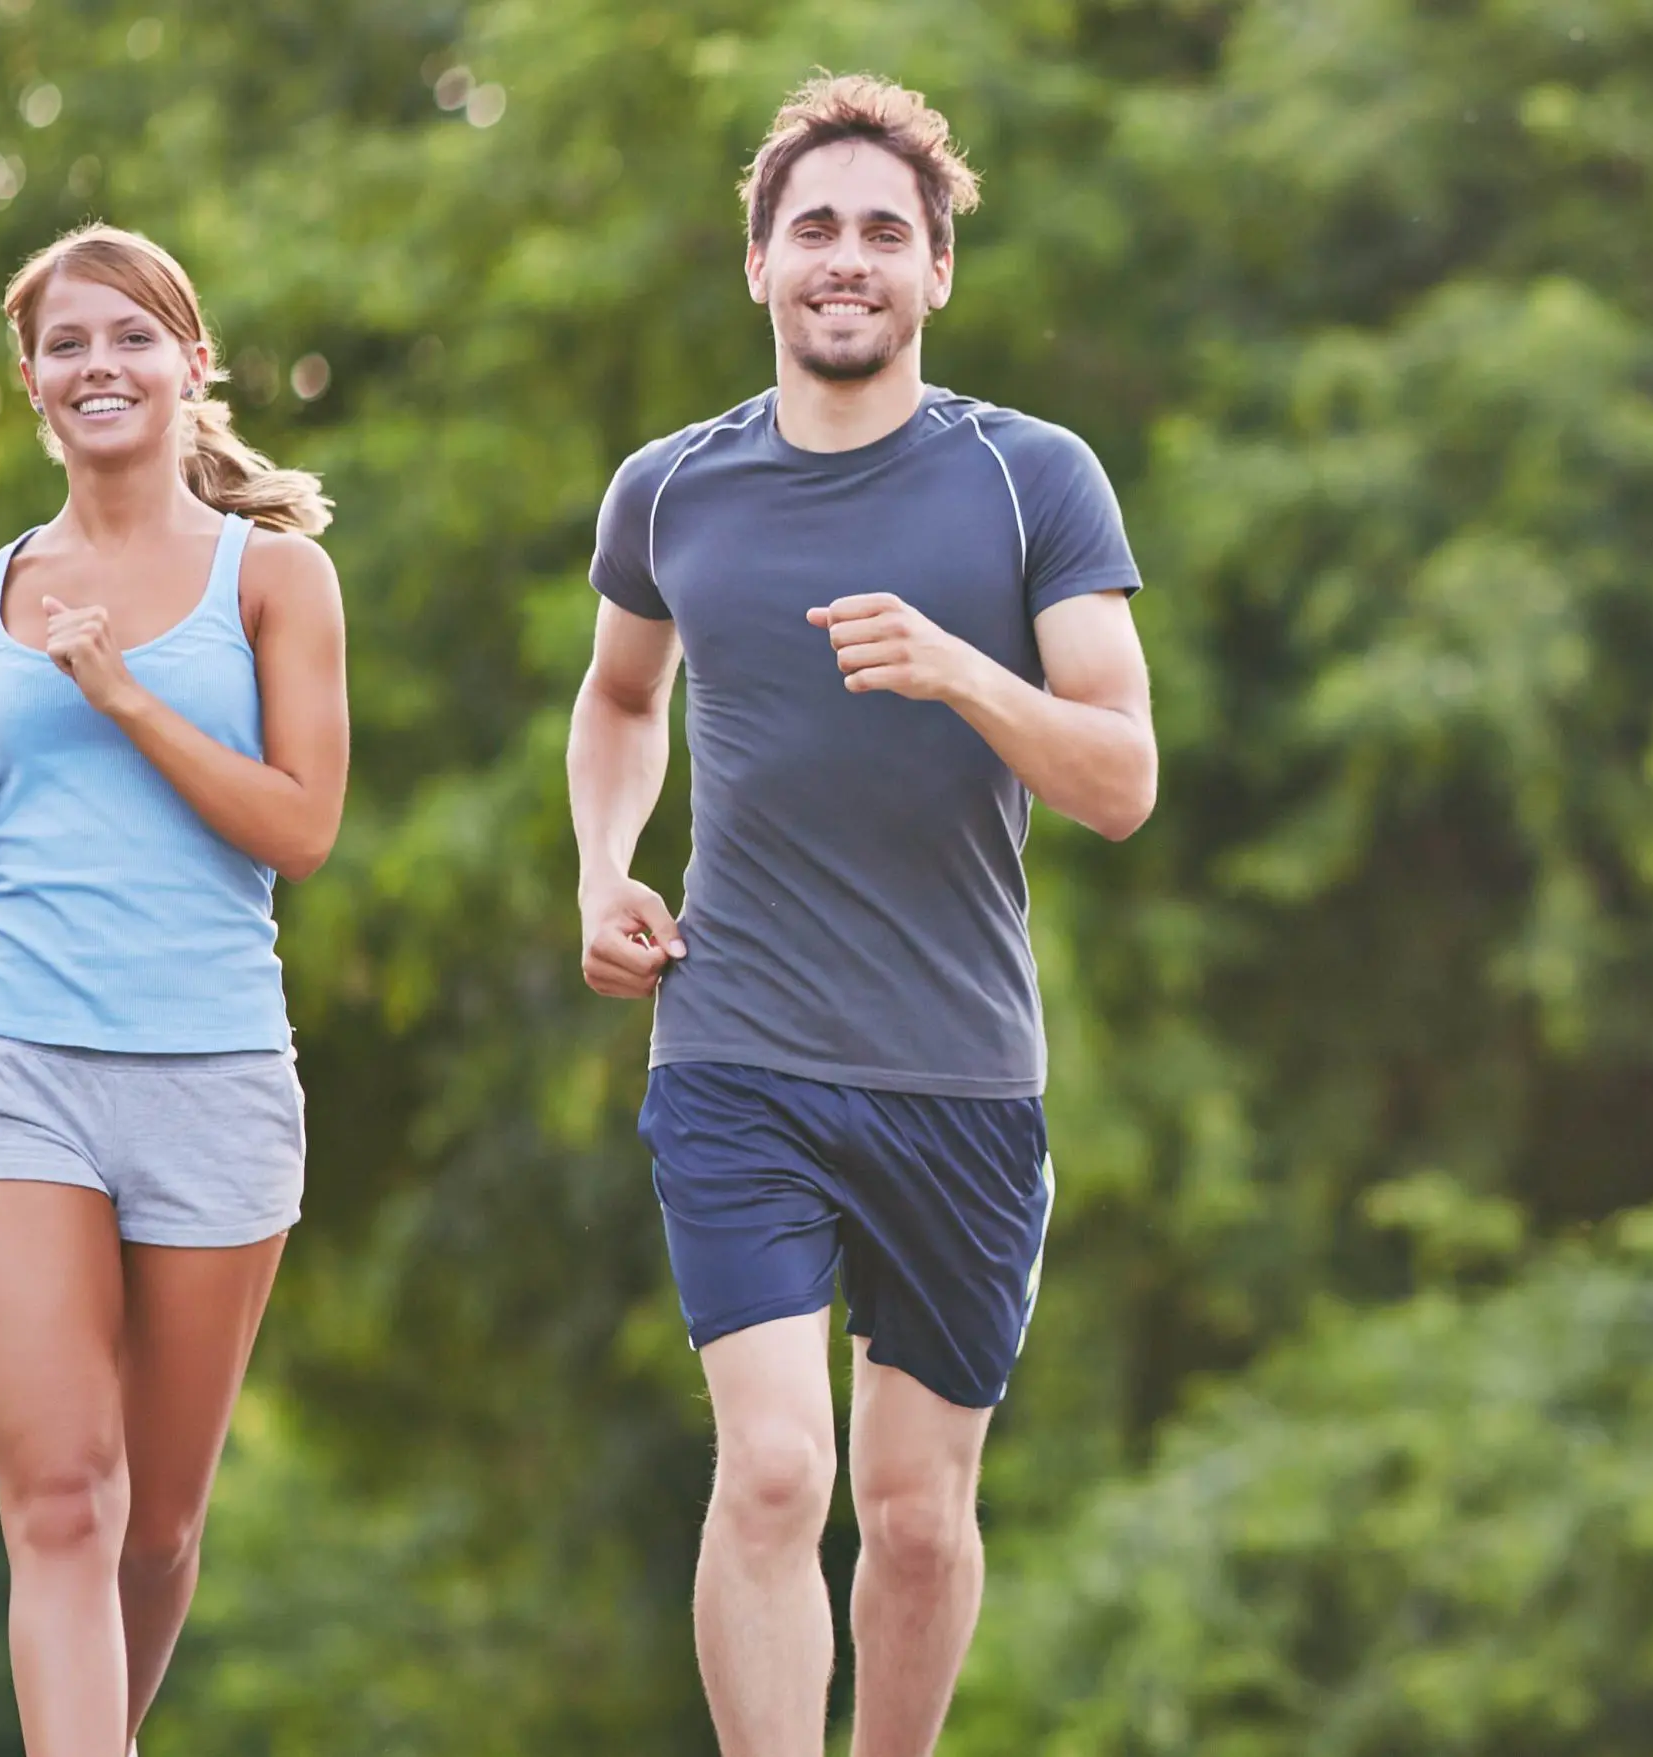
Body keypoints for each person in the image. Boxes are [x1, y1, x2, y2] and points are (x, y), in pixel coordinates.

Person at [567, 74, 1157, 1757]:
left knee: (910, 1516)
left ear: (938, 273)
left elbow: (1120, 779)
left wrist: (967, 669)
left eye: (884, 232)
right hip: (738, 1051)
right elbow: (618, 702)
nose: (848, 259)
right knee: (771, 1470)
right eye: (812, 228)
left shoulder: (1031, 480)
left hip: (962, 1073)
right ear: (756, 263)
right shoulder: (670, 493)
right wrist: (607, 867)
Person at [0, 223, 347, 1757]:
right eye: (68, 344)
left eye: (132, 337)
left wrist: (124, 697)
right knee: (62, 1501)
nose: (101, 365)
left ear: (191, 363)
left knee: (155, 1529)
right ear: (30, 382)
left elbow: (302, 828)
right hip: (14, 1059)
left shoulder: (275, 580)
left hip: (213, 1075)